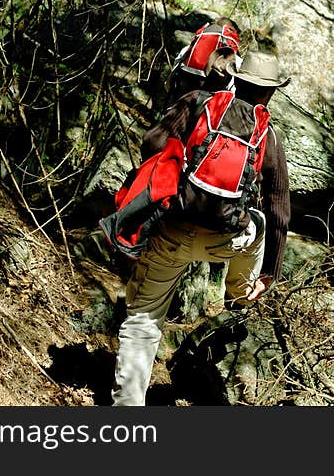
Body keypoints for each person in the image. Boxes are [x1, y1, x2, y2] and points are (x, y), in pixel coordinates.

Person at [111, 50, 292, 406]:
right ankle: (240, 289)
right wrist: (269, 273)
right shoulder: (268, 138)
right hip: (225, 240)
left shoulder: (198, 104)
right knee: (256, 223)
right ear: (269, 93)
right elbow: (279, 212)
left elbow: (151, 142)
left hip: (171, 233)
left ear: (236, 79)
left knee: (144, 322)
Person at [164, 17, 242, 108]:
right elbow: (232, 90)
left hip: (182, 96)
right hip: (209, 104)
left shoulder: (190, 48)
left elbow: (171, 78)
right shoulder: (234, 59)